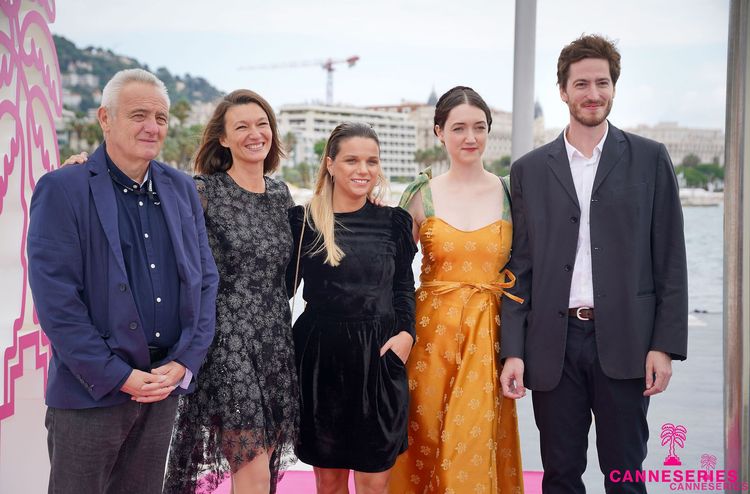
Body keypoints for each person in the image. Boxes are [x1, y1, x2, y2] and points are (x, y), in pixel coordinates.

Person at [500, 34, 688, 494]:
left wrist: (664, 346)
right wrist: (513, 350)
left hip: (627, 342)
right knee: (561, 476)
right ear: (563, 91)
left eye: (602, 83)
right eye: (581, 84)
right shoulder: (528, 170)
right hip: (553, 345)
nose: (593, 93)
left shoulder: (650, 158)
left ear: (614, 88)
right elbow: (519, 267)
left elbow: (670, 260)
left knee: (625, 475)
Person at [27, 68, 219, 494]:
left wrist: (185, 361)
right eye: (138, 115)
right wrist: (117, 375)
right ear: (105, 118)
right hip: (90, 393)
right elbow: (57, 301)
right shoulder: (63, 188)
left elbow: (205, 280)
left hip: (163, 390)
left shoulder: (182, 189)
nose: (152, 127)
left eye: (161, 118)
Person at [389, 86, 524, 494]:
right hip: (430, 339)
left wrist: (519, 350)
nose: (470, 137)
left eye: (479, 127)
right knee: (425, 441)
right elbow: (393, 274)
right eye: (459, 128)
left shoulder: (511, 192)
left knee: (473, 446)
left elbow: (527, 272)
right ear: (439, 132)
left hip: (489, 338)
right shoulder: (420, 194)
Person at [163, 90, 299, 494]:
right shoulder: (203, 191)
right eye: (241, 127)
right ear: (223, 138)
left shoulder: (281, 195)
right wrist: (83, 171)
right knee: (252, 470)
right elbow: (146, 199)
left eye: (262, 124)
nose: (255, 134)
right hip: (227, 345)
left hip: (275, 341)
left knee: (264, 469)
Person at [286, 122, 417, 494]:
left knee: (375, 483)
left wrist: (406, 335)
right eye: (352, 160)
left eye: (372, 161)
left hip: (380, 359)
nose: (364, 170)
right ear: (330, 164)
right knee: (329, 483)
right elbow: (280, 290)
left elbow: (403, 287)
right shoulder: (304, 222)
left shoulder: (394, 222)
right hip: (321, 362)